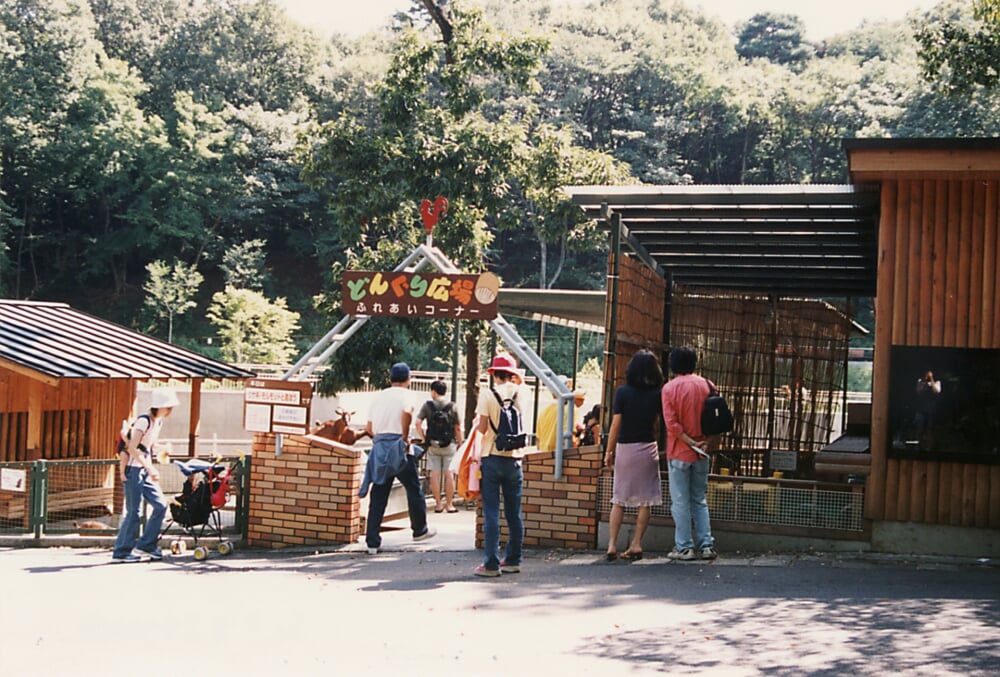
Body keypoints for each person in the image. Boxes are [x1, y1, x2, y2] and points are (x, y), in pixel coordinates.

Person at [359, 362, 435, 555]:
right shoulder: (408, 395)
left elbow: (369, 427)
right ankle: (419, 530)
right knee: (413, 488)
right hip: (398, 447)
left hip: (380, 446)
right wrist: (403, 436)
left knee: (379, 492)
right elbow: (407, 412)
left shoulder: (379, 396)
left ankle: (372, 541)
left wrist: (379, 438)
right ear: (408, 380)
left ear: (390, 379)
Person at [603, 350, 664, 562]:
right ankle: (636, 543)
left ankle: (611, 544)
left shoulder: (622, 392)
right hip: (647, 447)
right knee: (645, 501)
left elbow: (615, 425)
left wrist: (608, 452)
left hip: (625, 449)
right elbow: (657, 423)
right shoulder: (658, 394)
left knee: (618, 499)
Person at [661, 346, 717, 561]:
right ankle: (707, 545)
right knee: (699, 500)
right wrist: (704, 442)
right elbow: (716, 418)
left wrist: (689, 442)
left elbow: (672, 425)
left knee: (680, 501)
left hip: (679, 452)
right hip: (702, 452)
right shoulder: (708, 385)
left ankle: (684, 547)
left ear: (673, 364)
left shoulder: (669, 389)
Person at [474, 353, 527, 577]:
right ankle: (514, 560)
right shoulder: (522, 393)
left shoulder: (487, 394)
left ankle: (492, 564)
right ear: (512, 374)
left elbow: (483, 428)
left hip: (492, 456)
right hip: (514, 458)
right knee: (514, 512)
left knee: (492, 512)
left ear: (494, 373)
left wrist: (476, 425)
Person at [111, 388, 177, 563]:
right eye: (168, 407)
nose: (170, 410)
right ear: (159, 406)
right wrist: (150, 469)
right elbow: (133, 448)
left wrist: (162, 447)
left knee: (161, 505)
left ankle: (146, 544)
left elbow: (148, 445)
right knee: (134, 512)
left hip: (143, 469)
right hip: (134, 470)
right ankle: (121, 551)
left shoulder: (158, 422)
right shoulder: (143, 421)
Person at [416, 379, 463, 513]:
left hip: (433, 445)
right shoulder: (452, 406)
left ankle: (438, 504)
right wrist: (460, 443)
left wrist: (424, 438)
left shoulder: (427, 405)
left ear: (434, 391)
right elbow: (458, 427)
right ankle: (449, 505)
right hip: (449, 444)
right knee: (449, 474)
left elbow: (417, 423)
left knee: (434, 474)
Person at [536, 378, 586, 451]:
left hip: (544, 457)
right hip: (561, 457)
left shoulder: (544, 411)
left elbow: (538, 441)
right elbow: (569, 439)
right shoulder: (570, 410)